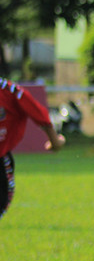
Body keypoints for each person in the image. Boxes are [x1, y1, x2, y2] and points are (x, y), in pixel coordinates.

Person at [0, 77, 65, 222]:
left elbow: (36, 112)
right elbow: (37, 112)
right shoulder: (10, 91)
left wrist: (54, 140)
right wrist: (55, 141)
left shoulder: (10, 92)